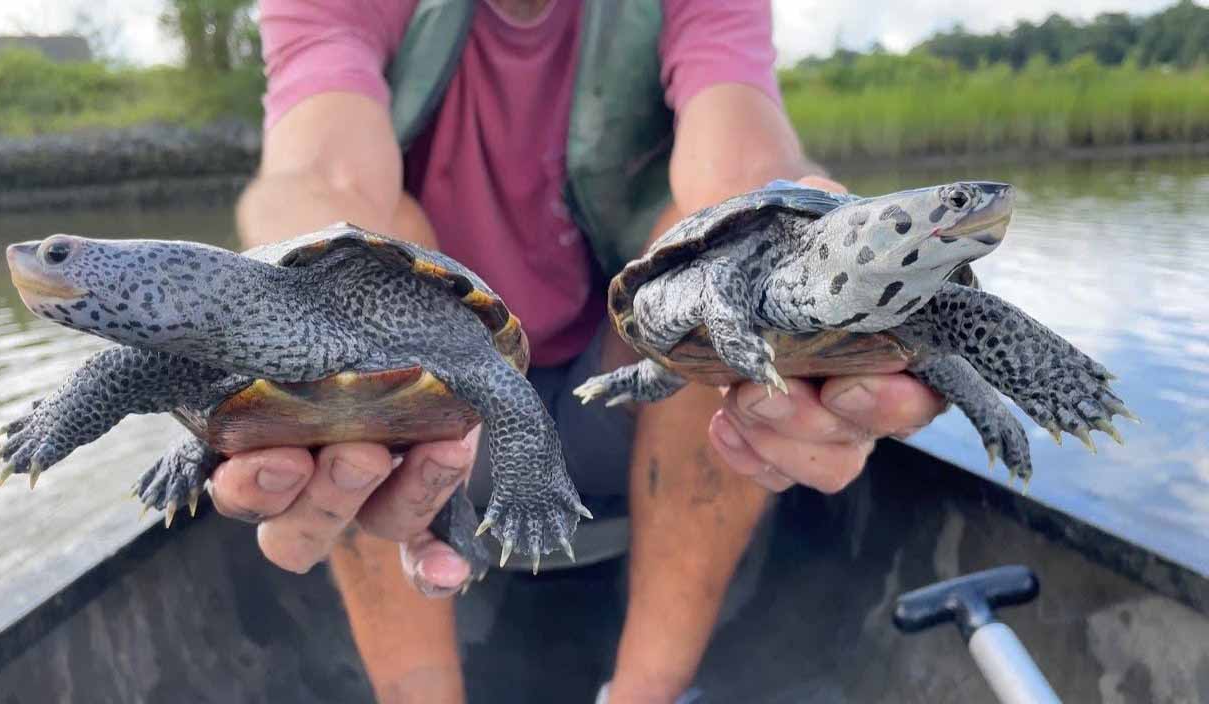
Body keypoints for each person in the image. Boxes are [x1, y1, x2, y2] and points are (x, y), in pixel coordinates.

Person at [208, 1, 946, 702]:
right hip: (457, 410)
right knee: (356, 261)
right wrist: (299, 309)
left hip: (623, 392)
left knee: (710, 261)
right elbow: (320, 176)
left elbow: (738, 166)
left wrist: (793, 266)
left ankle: (646, 693)